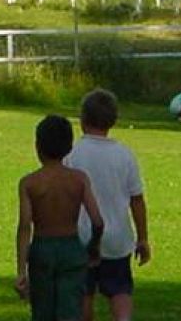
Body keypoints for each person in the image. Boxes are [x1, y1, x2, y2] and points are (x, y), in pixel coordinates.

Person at [65, 89, 150, 321]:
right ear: (114, 120)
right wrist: (142, 238)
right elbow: (137, 199)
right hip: (118, 239)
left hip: (82, 236)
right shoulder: (125, 155)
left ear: (82, 119)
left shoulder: (72, 154)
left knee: (84, 293)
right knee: (120, 290)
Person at [15, 114, 103, 321]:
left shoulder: (29, 183)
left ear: (38, 146)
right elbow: (98, 221)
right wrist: (93, 246)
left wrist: (21, 270)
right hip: (71, 248)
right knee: (71, 310)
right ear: (69, 147)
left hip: (42, 249)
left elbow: (25, 226)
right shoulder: (79, 180)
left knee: (42, 312)